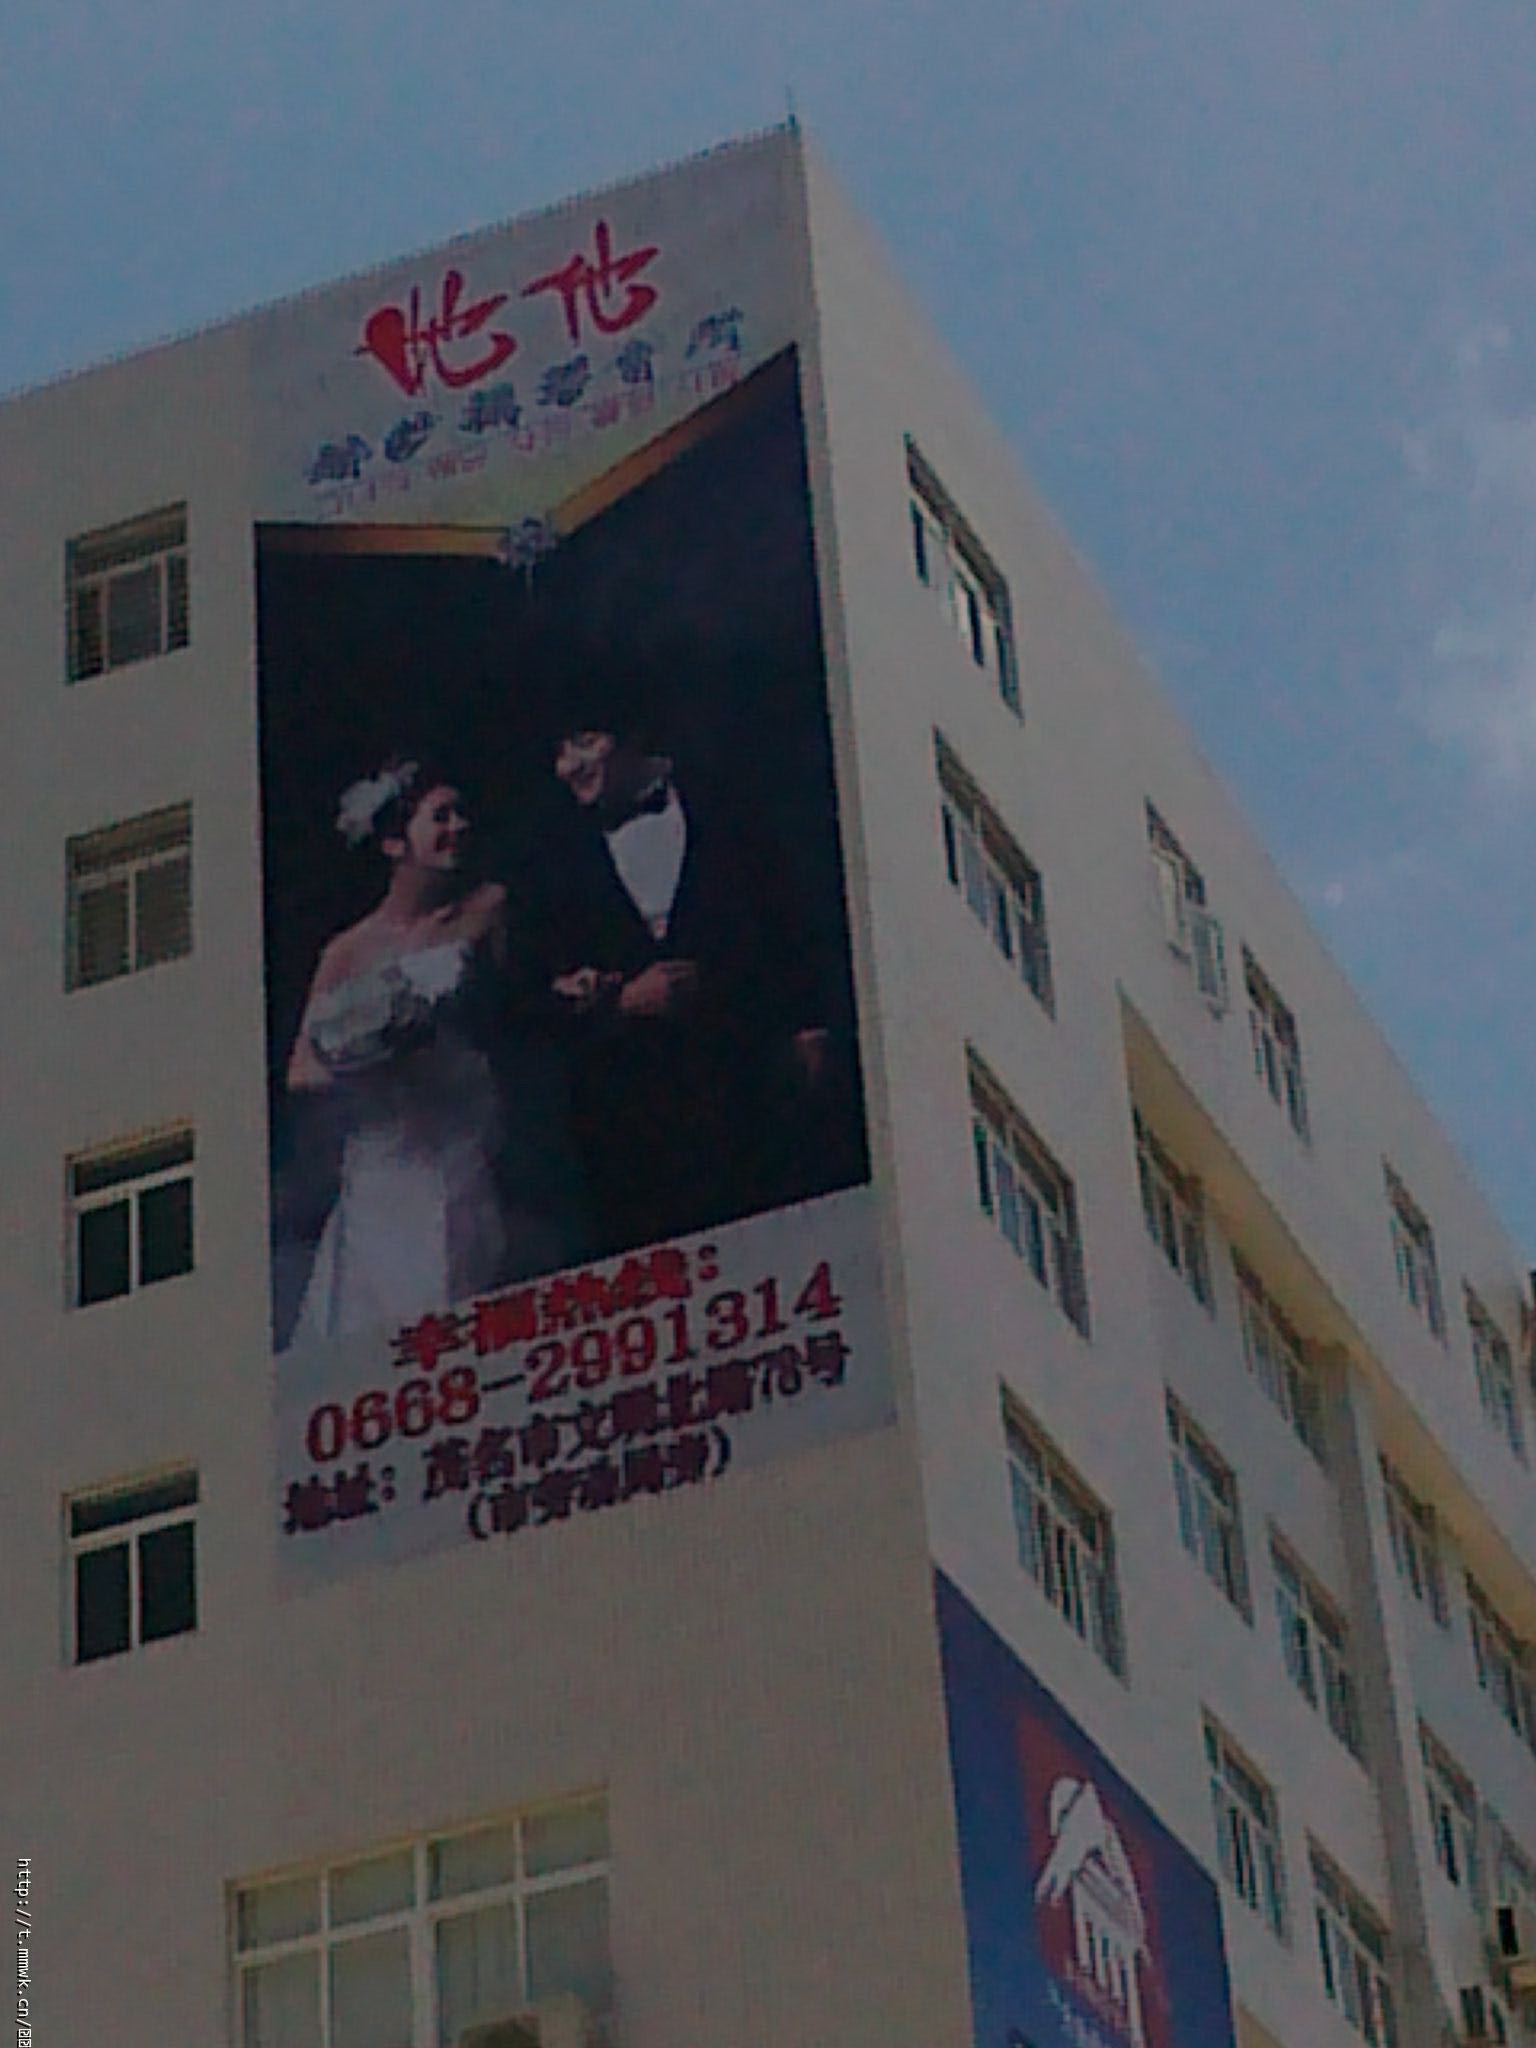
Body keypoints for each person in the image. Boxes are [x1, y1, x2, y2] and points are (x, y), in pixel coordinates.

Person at [524, 709, 866, 1253]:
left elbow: (792, 920)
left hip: (748, 1084)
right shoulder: (551, 854)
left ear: (632, 734)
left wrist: (810, 1029)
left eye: (584, 742)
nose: (569, 767)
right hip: (629, 1124)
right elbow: (526, 999)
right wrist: (621, 1002)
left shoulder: (725, 803)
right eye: (559, 752)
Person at [281, 758, 585, 1348]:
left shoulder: (487, 909)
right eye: (440, 816)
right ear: (395, 842)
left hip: (461, 1132)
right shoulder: (346, 951)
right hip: (385, 1148)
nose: (458, 827)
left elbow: (518, 1006)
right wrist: (371, 1060)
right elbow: (302, 1071)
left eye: (462, 814)